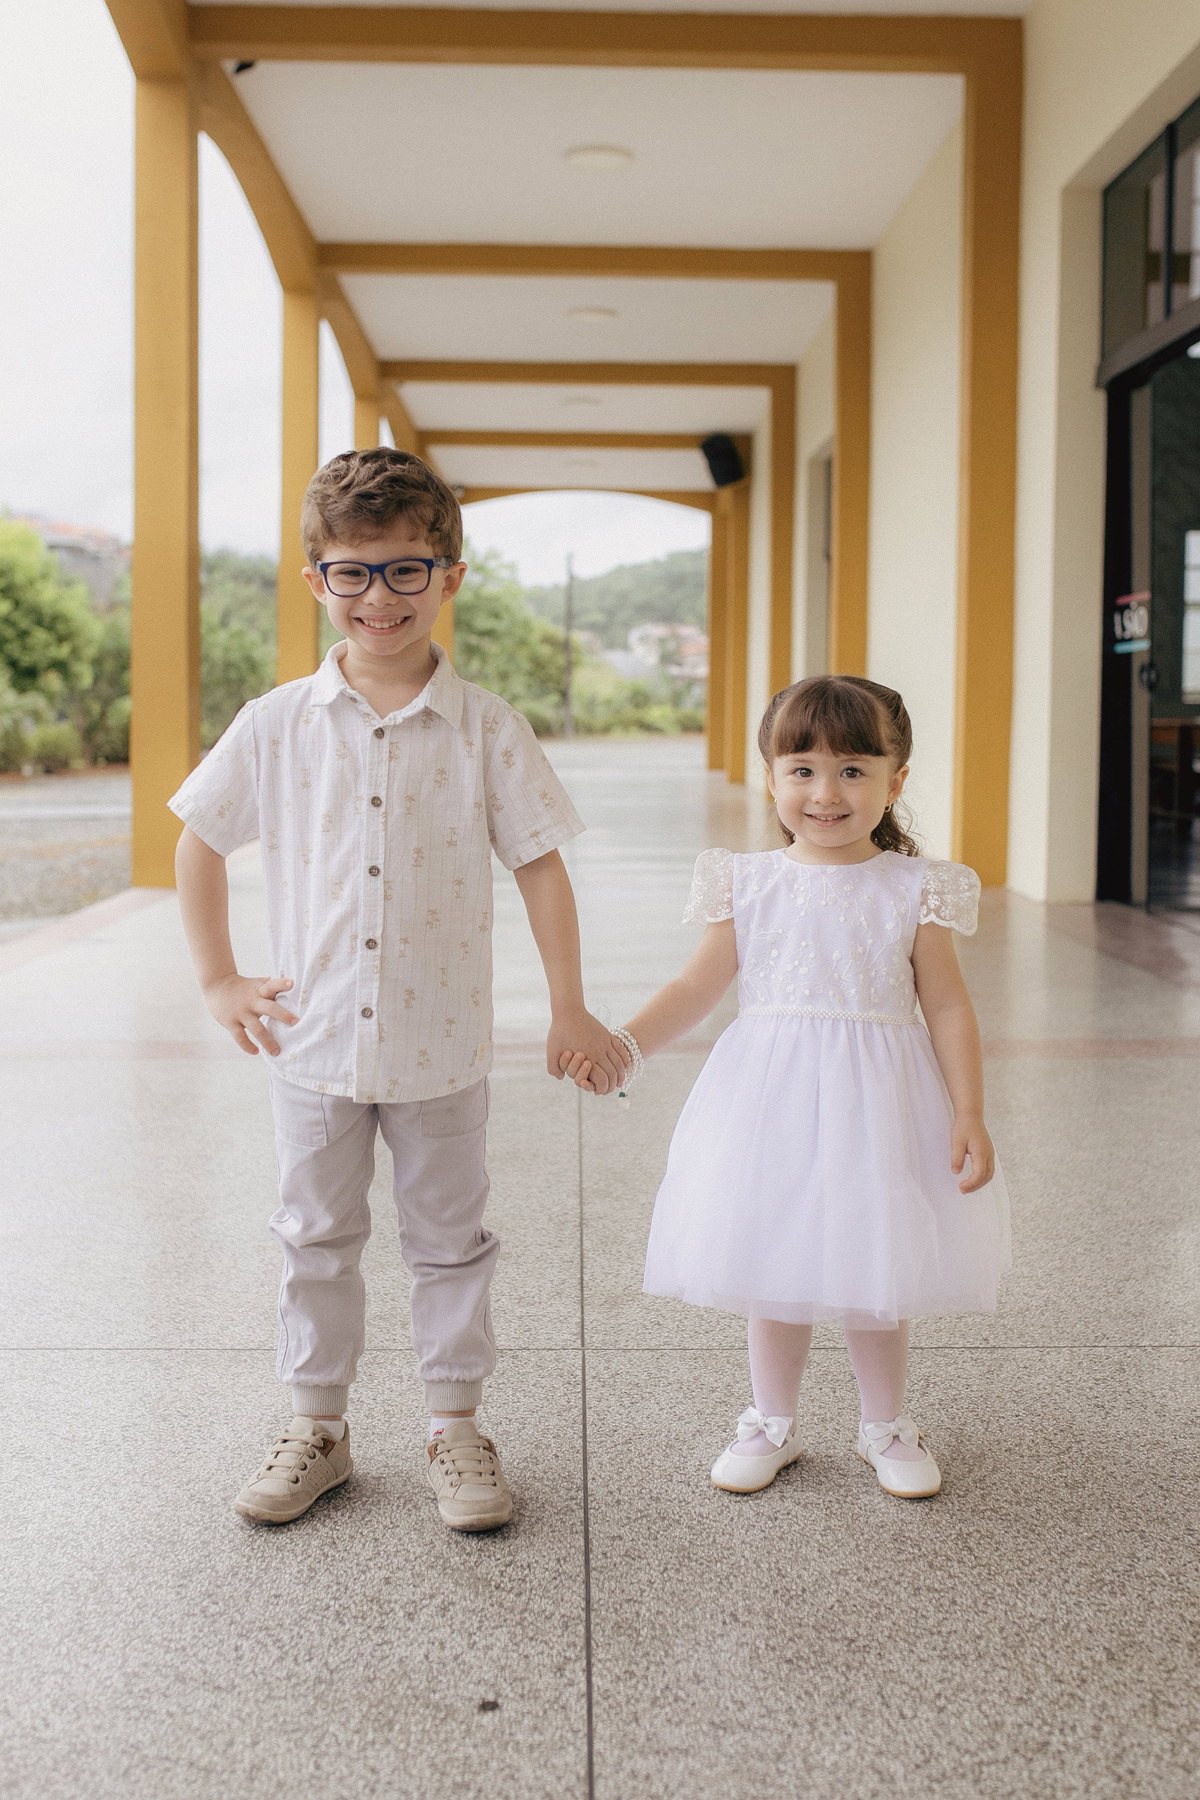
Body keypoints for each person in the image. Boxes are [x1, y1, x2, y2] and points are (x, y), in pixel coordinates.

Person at [170, 448, 628, 1530]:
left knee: (449, 1240)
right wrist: (219, 978)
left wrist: (569, 1005)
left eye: (406, 570)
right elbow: (198, 841)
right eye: (353, 572)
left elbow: (540, 868)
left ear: (451, 575)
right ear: (316, 581)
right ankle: (317, 1427)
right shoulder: (276, 722)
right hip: (315, 1045)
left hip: (442, 1045)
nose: (380, 596)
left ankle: (454, 1427)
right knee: (314, 1236)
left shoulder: (486, 728)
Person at [562, 674, 1010, 1499]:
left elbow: (946, 1005)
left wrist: (970, 1111)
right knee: (776, 1260)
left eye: (851, 770)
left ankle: (885, 1423)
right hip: (770, 1097)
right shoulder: (747, 880)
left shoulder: (916, 888)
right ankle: (772, 1420)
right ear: (770, 776)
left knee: (877, 1266)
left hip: (880, 1102)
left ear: (894, 781)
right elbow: (699, 988)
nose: (825, 792)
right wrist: (625, 1047)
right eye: (801, 768)